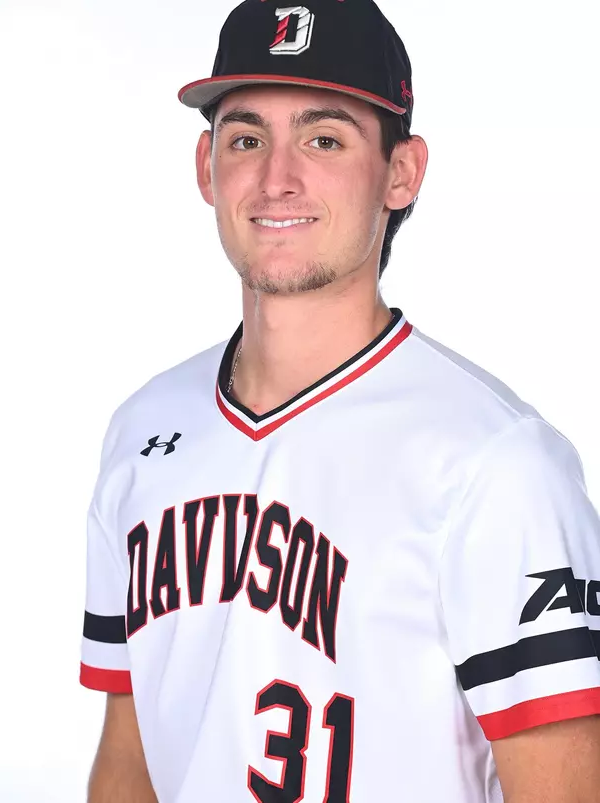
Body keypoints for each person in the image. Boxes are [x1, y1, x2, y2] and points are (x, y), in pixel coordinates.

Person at [80, 0, 600, 800]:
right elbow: (129, 760)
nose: (276, 177)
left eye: (324, 139)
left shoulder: (497, 463)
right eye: (246, 138)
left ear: (401, 171)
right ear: (205, 166)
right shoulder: (143, 429)